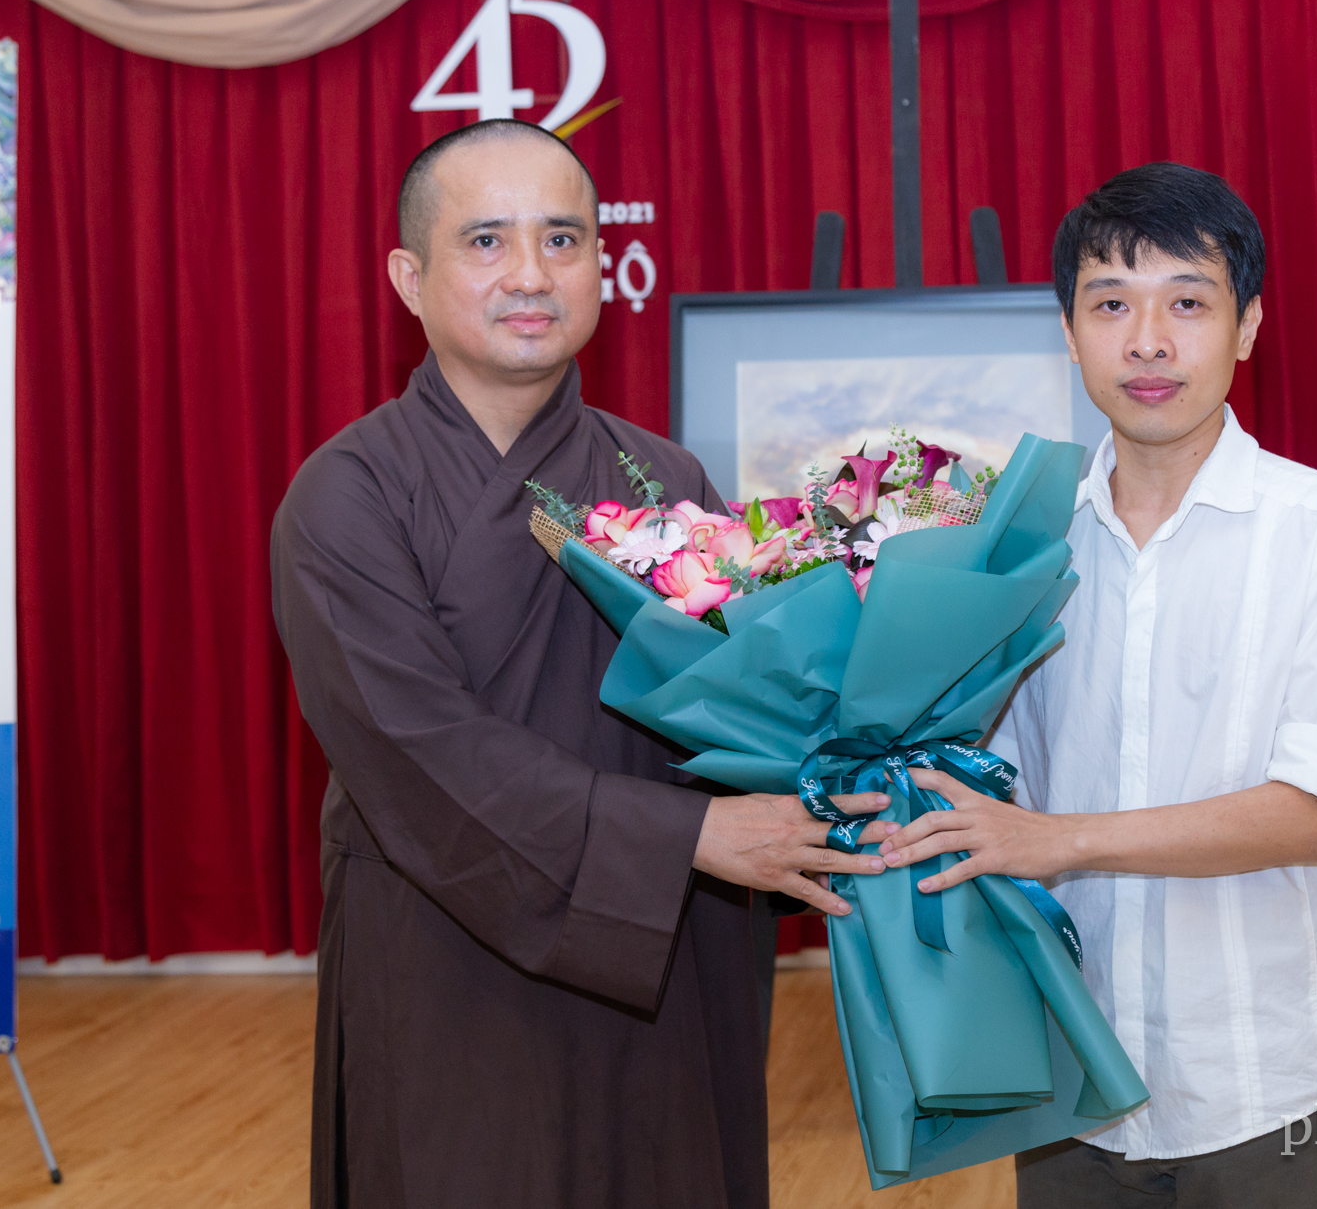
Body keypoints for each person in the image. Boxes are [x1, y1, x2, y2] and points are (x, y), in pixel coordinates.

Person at [270, 119, 891, 1209]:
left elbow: (735, 713)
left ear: (604, 263)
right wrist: (685, 839)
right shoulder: (347, 495)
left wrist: (852, 753)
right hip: (448, 950)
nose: (530, 273)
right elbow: (420, 752)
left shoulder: (663, 475)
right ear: (409, 279)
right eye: (487, 242)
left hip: (663, 952)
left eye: (562, 239)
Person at [881, 162, 1317, 1207]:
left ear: (1248, 326)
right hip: (1069, 1067)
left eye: (1187, 304)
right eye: (1111, 304)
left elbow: (1315, 814)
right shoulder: (1017, 547)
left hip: (1262, 1082)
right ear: (1068, 333)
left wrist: (1058, 840)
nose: (1148, 341)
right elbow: (983, 781)